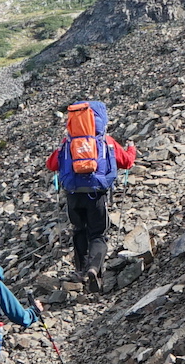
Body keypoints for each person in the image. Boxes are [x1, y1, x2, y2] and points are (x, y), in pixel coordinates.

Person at [45, 100, 136, 277]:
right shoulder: (105, 141)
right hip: (96, 194)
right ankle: (94, 269)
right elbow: (127, 162)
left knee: (79, 230)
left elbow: (51, 165)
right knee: (97, 234)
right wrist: (132, 148)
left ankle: (80, 270)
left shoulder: (68, 142)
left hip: (73, 195)